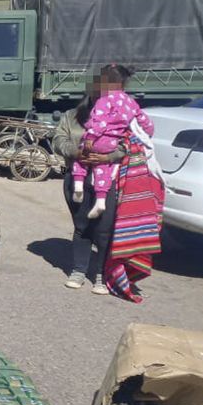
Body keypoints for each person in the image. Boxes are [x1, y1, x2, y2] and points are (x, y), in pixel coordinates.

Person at [51, 65, 129, 294]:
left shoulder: (121, 118)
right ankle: (78, 270)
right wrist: (76, 152)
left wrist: (107, 155)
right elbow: (58, 140)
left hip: (107, 180)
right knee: (82, 226)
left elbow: (128, 146)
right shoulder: (72, 116)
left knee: (104, 229)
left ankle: (101, 276)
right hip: (77, 178)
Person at [70, 64, 153, 219]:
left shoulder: (105, 99)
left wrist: (91, 137)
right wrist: (149, 133)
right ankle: (101, 200)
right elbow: (145, 120)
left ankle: (78, 186)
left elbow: (100, 122)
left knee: (80, 160)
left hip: (98, 140)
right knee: (102, 168)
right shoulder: (130, 102)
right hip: (111, 144)